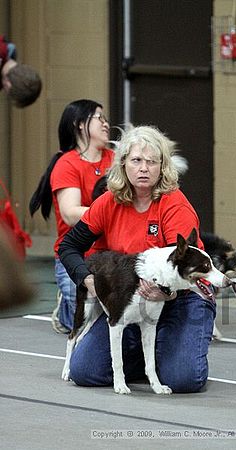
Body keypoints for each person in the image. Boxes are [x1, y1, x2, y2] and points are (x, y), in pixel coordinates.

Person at [58, 125, 216, 393]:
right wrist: (86, 278)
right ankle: (146, 355)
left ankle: (162, 352)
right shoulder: (108, 202)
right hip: (132, 298)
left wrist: (166, 293)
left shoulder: (174, 204)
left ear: (162, 167)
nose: (144, 168)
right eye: (136, 160)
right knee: (84, 371)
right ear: (123, 165)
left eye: (152, 161)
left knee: (182, 379)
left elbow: (184, 267)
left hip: (182, 298)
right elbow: (68, 246)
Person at [29, 99, 114, 332]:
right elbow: (69, 213)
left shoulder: (115, 159)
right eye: (99, 118)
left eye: (105, 119)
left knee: (117, 318)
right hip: (77, 256)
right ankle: (66, 310)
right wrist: (110, 212)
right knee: (88, 324)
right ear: (79, 124)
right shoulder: (67, 165)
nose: (106, 124)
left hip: (109, 254)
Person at [0, 34, 42, 107]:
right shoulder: (2, 50)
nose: (6, 92)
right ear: (8, 84)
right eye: (10, 93)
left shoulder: (6, 49)